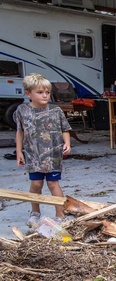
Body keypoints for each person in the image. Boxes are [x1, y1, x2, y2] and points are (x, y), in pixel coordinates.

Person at [14, 73, 72, 227]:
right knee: (36, 184)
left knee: (53, 183)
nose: (45, 95)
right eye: (40, 92)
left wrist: (67, 143)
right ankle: (35, 213)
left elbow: (64, 128)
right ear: (28, 94)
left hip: (53, 155)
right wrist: (19, 151)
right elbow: (20, 132)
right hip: (34, 155)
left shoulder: (55, 110)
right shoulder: (22, 110)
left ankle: (60, 215)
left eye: (47, 92)